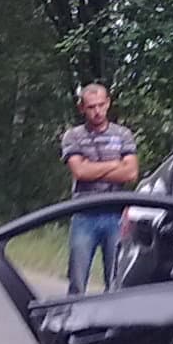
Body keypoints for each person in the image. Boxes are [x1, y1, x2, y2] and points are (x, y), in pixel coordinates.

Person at [60, 83, 138, 294]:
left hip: (115, 215)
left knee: (115, 281)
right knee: (77, 281)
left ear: (108, 103)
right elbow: (80, 172)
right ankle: (73, 314)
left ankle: (111, 315)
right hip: (84, 214)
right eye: (91, 107)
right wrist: (115, 164)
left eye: (101, 105)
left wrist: (91, 167)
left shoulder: (123, 134)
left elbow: (131, 173)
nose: (97, 111)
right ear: (82, 108)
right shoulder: (73, 136)